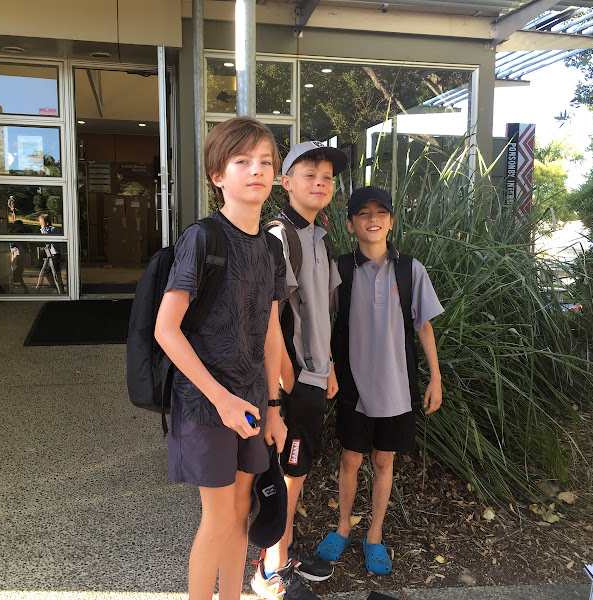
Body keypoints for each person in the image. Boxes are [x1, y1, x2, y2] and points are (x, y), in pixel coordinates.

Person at [154, 116, 288, 600]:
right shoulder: (203, 238)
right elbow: (166, 329)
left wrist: (274, 408)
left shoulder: (271, 247)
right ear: (217, 175)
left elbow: (270, 331)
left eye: (266, 161)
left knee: (240, 511)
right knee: (216, 519)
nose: (257, 170)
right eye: (242, 161)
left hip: (252, 401)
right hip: (205, 403)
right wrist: (222, 400)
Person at [315, 186, 444, 575]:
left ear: (391, 221)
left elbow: (423, 325)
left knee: (384, 459)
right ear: (350, 224)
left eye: (381, 213)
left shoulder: (410, 270)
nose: (373, 219)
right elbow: (321, 321)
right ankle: (343, 527)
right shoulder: (340, 269)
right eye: (363, 213)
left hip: (397, 386)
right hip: (353, 383)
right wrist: (328, 367)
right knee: (350, 458)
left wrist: (435, 377)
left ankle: (374, 534)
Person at [255, 141, 348, 600]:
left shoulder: (319, 236)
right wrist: (284, 384)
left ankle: (286, 549)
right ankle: (271, 570)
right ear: (286, 182)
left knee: (299, 470)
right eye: (309, 175)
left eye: (327, 177)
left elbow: (319, 312)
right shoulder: (278, 237)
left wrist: (327, 367)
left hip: (314, 375)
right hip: (291, 381)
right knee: (287, 473)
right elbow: (268, 320)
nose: (320, 183)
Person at [38, 213, 63, 292]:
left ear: (47, 223)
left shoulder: (53, 230)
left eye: (41, 223)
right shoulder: (47, 229)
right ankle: (56, 287)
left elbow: (46, 237)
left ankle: (60, 290)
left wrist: (43, 228)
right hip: (49, 253)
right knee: (46, 272)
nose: (40, 225)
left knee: (56, 272)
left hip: (55, 254)